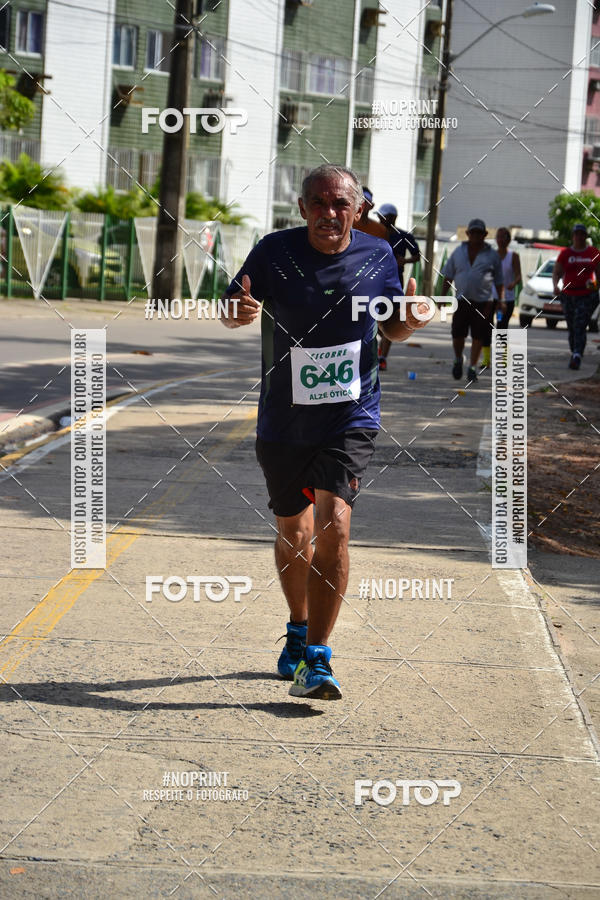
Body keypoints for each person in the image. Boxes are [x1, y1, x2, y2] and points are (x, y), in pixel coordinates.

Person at [221, 164, 429, 700]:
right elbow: (231, 307)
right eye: (318, 202)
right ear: (302, 208)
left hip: (350, 414)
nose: (329, 213)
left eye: (340, 204)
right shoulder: (273, 251)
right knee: (295, 531)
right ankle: (296, 629)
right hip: (283, 418)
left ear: (357, 210)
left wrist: (409, 318)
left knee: (334, 520)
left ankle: (317, 658)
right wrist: (237, 312)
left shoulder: (378, 255)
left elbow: (393, 327)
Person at [441, 218, 504, 383]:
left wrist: (501, 301)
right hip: (462, 301)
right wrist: (441, 297)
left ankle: (472, 367)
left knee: (478, 335)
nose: (476, 235)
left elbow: (499, 281)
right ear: (468, 234)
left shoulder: (492, 255)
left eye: (479, 233)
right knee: (457, 334)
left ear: (484, 235)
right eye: (473, 232)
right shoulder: (458, 252)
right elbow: (448, 275)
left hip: (483, 302)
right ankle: (458, 359)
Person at [374, 203, 420, 370]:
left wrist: (404, 261)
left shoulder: (403, 236)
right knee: (373, 320)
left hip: (394, 284)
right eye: (379, 216)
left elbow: (417, 256)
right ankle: (380, 346)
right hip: (373, 283)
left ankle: (383, 358)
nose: (379, 219)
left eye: (382, 216)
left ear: (392, 218)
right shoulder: (374, 233)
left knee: (391, 318)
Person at [552, 223, 600, 370]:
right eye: (576, 234)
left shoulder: (592, 253)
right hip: (568, 295)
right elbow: (557, 272)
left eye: (582, 234)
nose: (579, 237)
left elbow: (599, 274)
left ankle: (577, 355)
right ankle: (575, 351)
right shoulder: (566, 253)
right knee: (572, 327)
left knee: (580, 324)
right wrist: (555, 285)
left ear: (585, 236)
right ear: (573, 236)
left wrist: (595, 285)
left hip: (586, 295)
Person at [480, 227, 522, 369]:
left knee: (501, 328)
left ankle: (502, 360)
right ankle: (486, 360)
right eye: (498, 237)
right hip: (491, 298)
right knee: (486, 327)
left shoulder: (513, 256)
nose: (500, 240)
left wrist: (514, 283)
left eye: (503, 237)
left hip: (507, 299)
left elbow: (518, 275)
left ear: (509, 240)